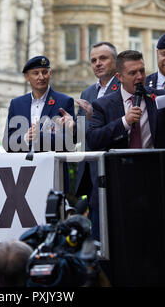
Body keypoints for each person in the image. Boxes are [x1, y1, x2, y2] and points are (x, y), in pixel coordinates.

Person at [87, 50, 165, 151]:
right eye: (133, 73)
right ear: (119, 77)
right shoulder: (103, 104)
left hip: (157, 168)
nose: (140, 77)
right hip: (121, 170)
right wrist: (124, 122)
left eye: (142, 71)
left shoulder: (161, 97)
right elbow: (93, 140)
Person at [74, 42, 119, 241]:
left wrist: (92, 118)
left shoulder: (123, 88)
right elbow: (80, 132)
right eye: (93, 60)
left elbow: (121, 126)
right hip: (92, 173)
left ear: (115, 61)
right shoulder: (87, 93)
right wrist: (71, 125)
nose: (98, 63)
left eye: (103, 58)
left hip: (114, 169)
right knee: (97, 234)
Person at [3, 55, 76, 153]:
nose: (41, 77)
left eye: (44, 72)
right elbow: (7, 143)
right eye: (36, 73)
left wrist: (40, 137)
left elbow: (69, 141)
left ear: (50, 73)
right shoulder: (16, 104)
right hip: (25, 167)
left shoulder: (64, 102)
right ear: (27, 77)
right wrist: (25, 138)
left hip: (54, 166)